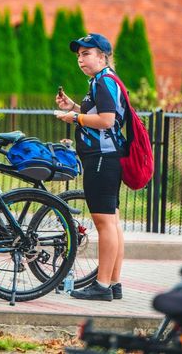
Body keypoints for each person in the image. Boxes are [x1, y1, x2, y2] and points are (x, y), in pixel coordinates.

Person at [55, 33, 127, 302]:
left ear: (102, 56)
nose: (81, 59)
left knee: (104, 223)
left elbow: (107, 120)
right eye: (79, 55)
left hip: (101, 158)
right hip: (107, 157)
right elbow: (101, 114)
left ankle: (102, 285)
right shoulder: (103, 80)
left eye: (86, 54)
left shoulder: (104, 81)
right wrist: (74, 107)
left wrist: (75, 117)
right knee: (113, 222)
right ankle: (114, 283)